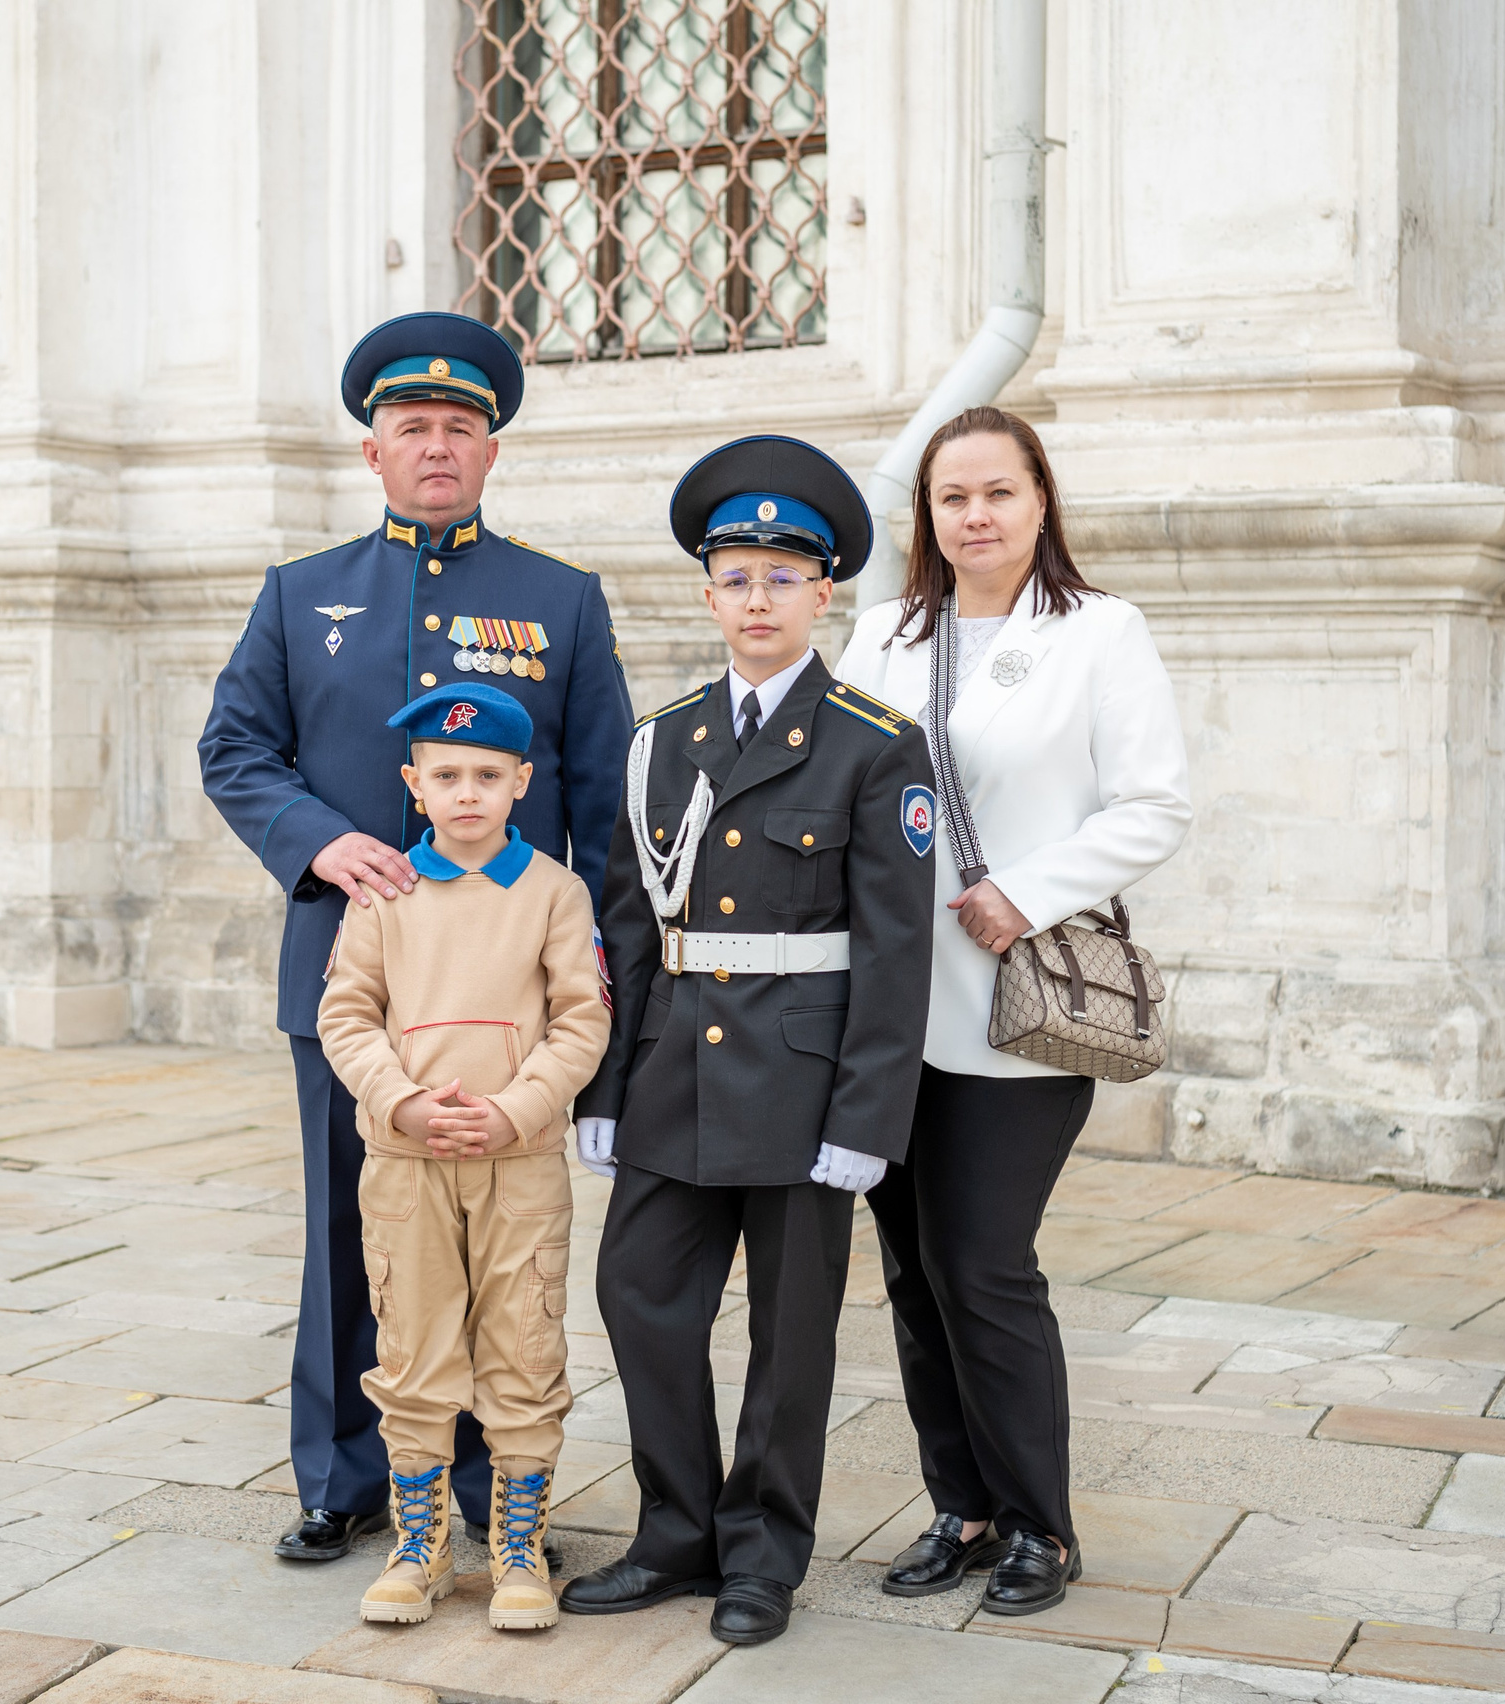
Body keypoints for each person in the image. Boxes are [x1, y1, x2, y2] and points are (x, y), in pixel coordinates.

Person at [200, 312, 632, 1562]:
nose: (435, 447)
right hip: (353, 980)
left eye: (458, 429)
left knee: (502, 1250)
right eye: (411, 429)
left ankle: (504, 1493)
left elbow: (599, 800)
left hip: (506, 1002)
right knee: (353, 1236)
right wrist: (317, 840)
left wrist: (588, 980)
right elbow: (235, 749)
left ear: (489, 452)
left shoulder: (559, 600)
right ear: (373, 453)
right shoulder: (303, 597)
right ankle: (343, 1480)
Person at [560, 435, 936, 1647]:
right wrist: (604, 1087)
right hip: (672, 1068)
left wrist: (868, 1120)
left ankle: (762, 1552)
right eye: (736, 575)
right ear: (707, 591)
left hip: (803, 1084)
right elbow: (628, 922)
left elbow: (895, 952)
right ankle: (675, 1532)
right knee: (638, 1297)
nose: (758, 597)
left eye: (783, 575)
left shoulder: (874, 741)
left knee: (790, 1336)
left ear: (823, 592)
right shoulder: (662, 740)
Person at [833, 405, 1191, 1616]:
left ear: (1041, 501)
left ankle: (1041, 1524)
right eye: (952, 498)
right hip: (883, 1010)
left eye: (999, 492)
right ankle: (962, 1506)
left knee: (982, 1265)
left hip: (1012, 1004)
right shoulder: (884, 632)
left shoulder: (1099, 633)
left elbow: (1153, 806)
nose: (975, 516)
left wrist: (1022, 896)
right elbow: (834, 786)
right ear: (925, 516)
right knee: (908, 1273)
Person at [315, 681, 610, 1631]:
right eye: (447, 776)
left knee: (523, 1339)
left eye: (489, 774)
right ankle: (421, 1546)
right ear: (415, 783)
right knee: (412, 1345)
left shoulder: (555, 892)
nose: (468, 793)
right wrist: (401, 1103)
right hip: (405, 1162)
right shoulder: (386, 892)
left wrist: (518, 1109)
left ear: (523, 780)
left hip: (516, 1161)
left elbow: (583, 1017)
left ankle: (518, 1546)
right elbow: (346, 1014)